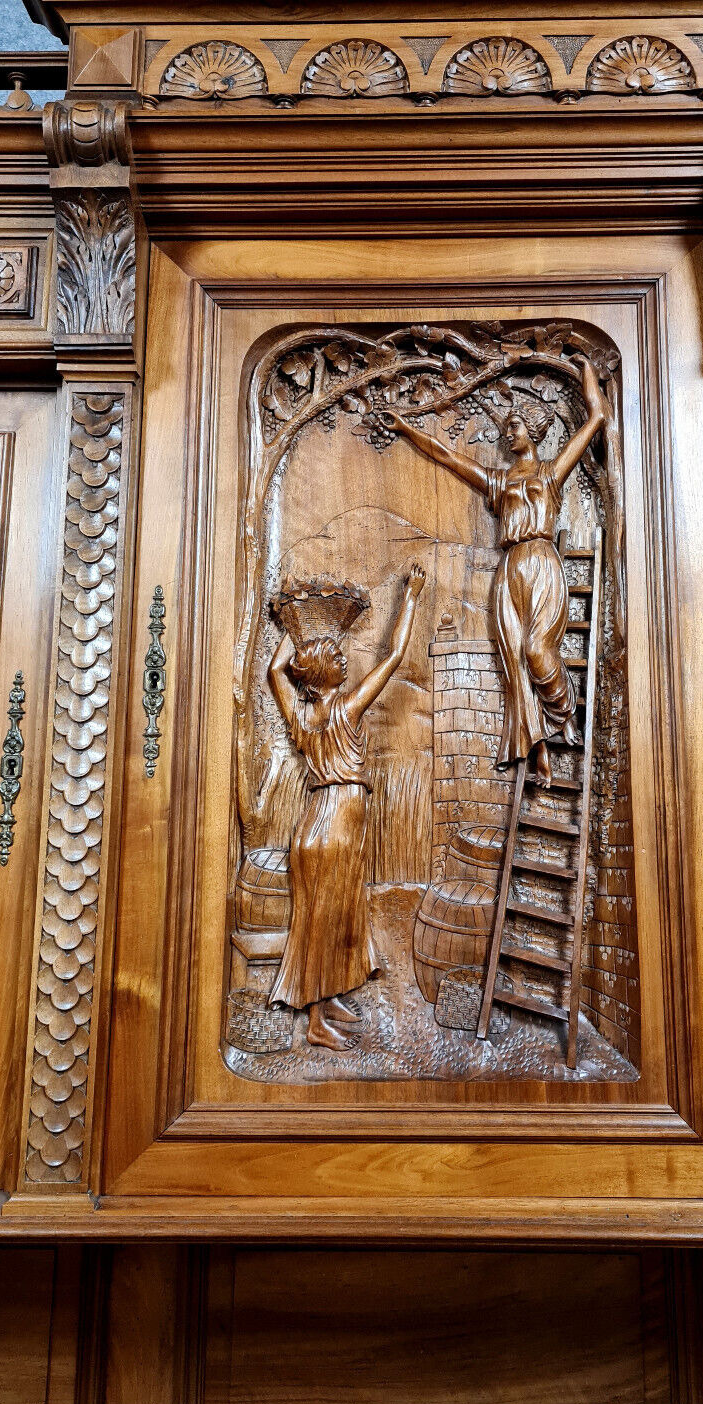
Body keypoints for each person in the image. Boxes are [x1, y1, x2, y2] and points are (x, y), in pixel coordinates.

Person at [385, 359, 608, 789]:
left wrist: (587, 377)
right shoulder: (497, 480)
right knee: (515, 662)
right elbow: (448, 457)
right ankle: (538, 745)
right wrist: (408, 430)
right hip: (510, 571)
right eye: (506, 428)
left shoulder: (551, 472)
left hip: (541, 563)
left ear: (535, 431)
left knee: (538, 651)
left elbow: (596, 418)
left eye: (516, 425)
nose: (509, 433)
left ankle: (563, 715)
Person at [268, 565, 425, 1049]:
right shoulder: (344, 708)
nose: (341, 658)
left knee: (338, 917)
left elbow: (277, 671)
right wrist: (411, 597)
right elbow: (395, 655)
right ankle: (315, 1023)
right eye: (334, 656)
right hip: (333, 827)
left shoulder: (303, 715)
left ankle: (330, 995)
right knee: (324, 920)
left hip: (327, 824)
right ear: (322, 675)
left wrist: (293, 632)